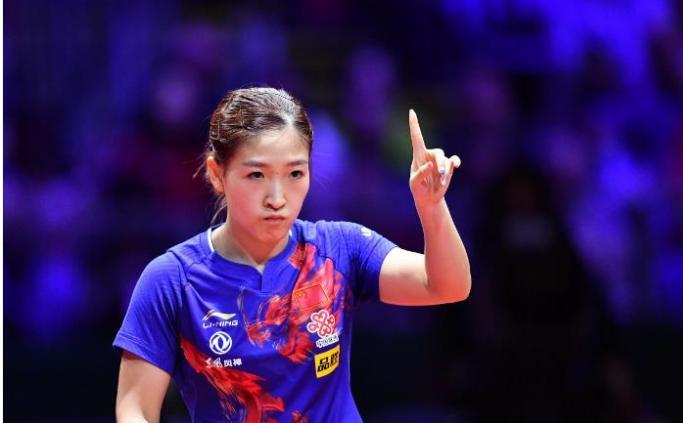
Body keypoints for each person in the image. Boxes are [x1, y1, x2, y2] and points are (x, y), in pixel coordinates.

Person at [114, 87, 471, 422]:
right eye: (256, 175)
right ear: (217, 174)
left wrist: (431, 206)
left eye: (295, 173)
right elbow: (135, 409)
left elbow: (447, 285)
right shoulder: (172, 280)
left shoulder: (339, 249)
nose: (277, 198)